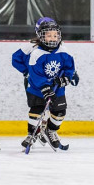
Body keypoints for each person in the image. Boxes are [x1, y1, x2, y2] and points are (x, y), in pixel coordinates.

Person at [20, 18, 75, 150]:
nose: (52, 38)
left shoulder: (64, 51)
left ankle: (50, 130)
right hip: (37, 89)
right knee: (36, 110)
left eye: (55, 35)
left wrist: (65, 79)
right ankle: (31, 134)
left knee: (60, 112)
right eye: (49, 35)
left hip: (58, 89)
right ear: (41, 36)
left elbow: (70, 69)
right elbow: (36, 74)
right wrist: (45, 88)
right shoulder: (37, 53)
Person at [12, 17, 79, 92]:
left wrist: (71, 74)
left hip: (54, 81)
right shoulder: (31, 45)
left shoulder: (59, 46)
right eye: (48, 33)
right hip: (35, 81)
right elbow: (15, 59)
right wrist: (27, 71)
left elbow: (66, 62)